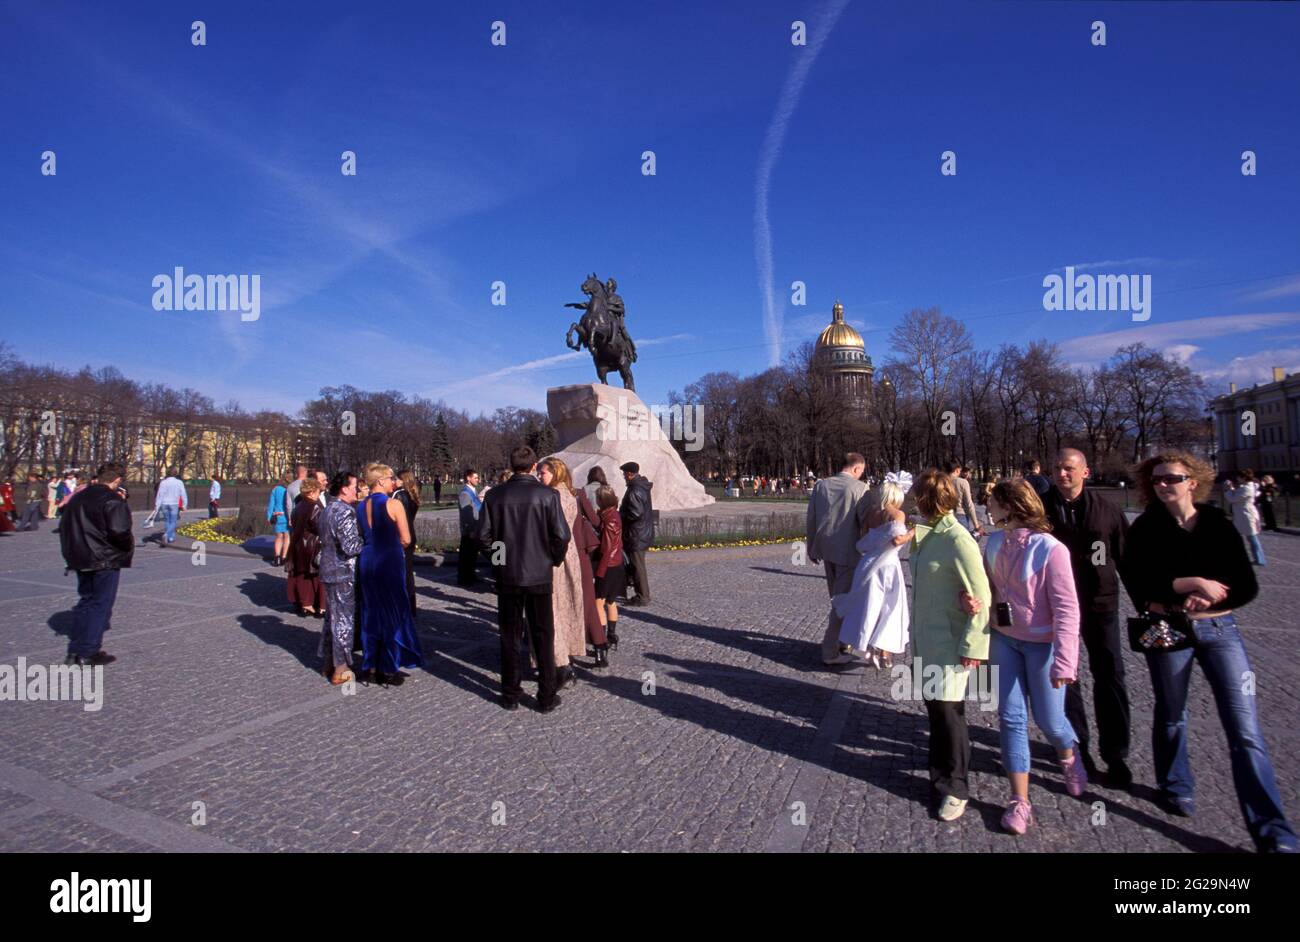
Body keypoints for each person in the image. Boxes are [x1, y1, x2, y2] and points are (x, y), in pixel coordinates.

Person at [1120, 452, 1297, 852]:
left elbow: (1245, 583)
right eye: (1158, 479)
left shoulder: (1217, 523)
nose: (1164, 484)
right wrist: (1187, 583)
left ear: (1193, 482)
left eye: (1172, 478)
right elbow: (1137, 580)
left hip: (1221, 629)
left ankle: (1274, 831)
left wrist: (1213, 597)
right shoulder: (1147, 526)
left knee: (1245, 730)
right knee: (1171, 714)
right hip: (1171, 630)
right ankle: (1175, 784)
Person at [973, 480, 1087, 834]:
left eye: (991, 501)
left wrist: (1066, 662)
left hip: (1043, 645)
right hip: (1004, 639)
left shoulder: (1050, 549)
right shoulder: (992, 543)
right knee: (1011, 717)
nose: (986, 506)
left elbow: (1067, 609)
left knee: (1051, 720)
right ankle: (1019, 800)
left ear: (1009, 506)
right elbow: (985, 589)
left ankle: (1069, 755)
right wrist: (973, 602)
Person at [1042, 448, 1133, 787]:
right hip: (1057, 607)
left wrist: (1148, 605)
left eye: (1068, 469)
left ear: (1085, 472)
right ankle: (1077, 747)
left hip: (1100, 604)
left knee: (1110, 676)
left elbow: (1127, 559)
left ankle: (1116, 754)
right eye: (1057, 468)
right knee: (1067, 678)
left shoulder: (1107, 510)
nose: (1062, 474)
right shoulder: (1041, 507)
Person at [908, 468, 992, 822]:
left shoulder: (958, 538)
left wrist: (973, 645)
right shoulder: (927, 534)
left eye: (917, 495)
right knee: (937, 711)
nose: (912, 500)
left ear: (928, 499)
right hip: (928, 638)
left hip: (949, 641)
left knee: (949, 714)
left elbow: (982, 594)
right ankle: (939, 772)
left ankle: (955, 786)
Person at [475, 446, 571, 712]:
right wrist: (552, 559)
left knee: (509, 635)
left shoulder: (495, 496)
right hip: (539, 573)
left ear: (512, 464)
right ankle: (546, 695)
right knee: (543, 634)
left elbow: (482, 535)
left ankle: (510, 694)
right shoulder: (547, 495)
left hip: (508, 575)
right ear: (532, 467)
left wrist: (499, 561)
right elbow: (561, 535)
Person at [833, 473, 913, 670]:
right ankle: (884, 651)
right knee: (891, 608)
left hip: (867, 564)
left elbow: (864, 538)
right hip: (887, 567)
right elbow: (896, 540)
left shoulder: (871, 513)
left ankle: (867, 645)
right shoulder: (897, 515)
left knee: (870, 607)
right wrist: (913, 532)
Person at [58, 462, 132, 666]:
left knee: (85, 601)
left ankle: (75, 650)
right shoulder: (112, 500)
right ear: (117, 480)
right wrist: (125, 549)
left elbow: (65, 528)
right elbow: (120, 531)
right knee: (101, 604)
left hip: (80, 557)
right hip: (104, 559)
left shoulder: (78, 497)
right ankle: (88, 651)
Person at [356, 464, 425, 685]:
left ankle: (371, 663)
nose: (393, 481)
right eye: (390, 477)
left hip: (368, 560)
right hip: (388, 560)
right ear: (380, 481)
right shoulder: (392, 504)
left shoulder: (361, 505)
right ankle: (389, 665)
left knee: (371, 611)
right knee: (393, 610)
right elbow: (406, 538)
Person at [806, 452, 871, 666]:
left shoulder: (821, 486)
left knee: (837, 598)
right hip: (848, 551)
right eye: (861, 471)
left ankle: (843, 642)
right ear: (855, 469)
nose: (861, 475)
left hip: (826, 549)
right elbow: (865, 522)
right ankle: (830, 649)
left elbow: (812, 517)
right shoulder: (860, 489)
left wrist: (811, 546)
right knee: (842, 603)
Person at [539, 457, 601, 684]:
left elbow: (556, 533)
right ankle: (563, 658)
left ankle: (560, 663)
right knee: (564, 610)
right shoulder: (570, 494)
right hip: (570, 557)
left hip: (558, 559)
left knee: (553, 610)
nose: (539, 477)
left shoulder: (555, 496)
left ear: (555, 473)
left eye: (542, 473)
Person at [319, 470, 364, 686]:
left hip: (328, 570)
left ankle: (329, 661)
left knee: (332, 618)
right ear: (345, 488)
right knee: (343, 620)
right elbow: (351, 546)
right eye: (355, 486)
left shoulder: (327, 508)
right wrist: (367, 540)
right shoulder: (345, 511)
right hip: (343, 572)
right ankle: (341, 667)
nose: (357, 490)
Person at [592, 485, 624, 664]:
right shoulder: (613, 514)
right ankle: (612, 636)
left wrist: (600, 572)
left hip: (609, 565)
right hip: (616, 563)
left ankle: (602, 640)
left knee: (599, 602)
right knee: (611, 602)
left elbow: (607, 548)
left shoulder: (609, 519)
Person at [287, 477, 326, 617]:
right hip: (312, 545)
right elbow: (319, 526)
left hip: (298, 544)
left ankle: (306, 604)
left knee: (303, 575)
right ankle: (321, 606)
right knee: (318, 575)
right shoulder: (314, 506)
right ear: (311, 492)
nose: (318, 494)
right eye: (317, 491)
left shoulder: (298, 506)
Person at [619, 461, 655, 606]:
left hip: (636, 534)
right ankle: (640, 594)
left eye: (624, 474)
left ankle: (643, 596)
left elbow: (635, 513)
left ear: (629, 474)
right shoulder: (640, 486)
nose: (623, 476)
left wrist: (620, 515)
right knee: (636, 565)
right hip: (641, 532)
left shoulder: (635, 489)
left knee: (638, 566)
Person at [393, 470, 421, 616]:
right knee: (408, 573)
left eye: (396, 479)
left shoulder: (399, 496)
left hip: (401, 537)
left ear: (402, 480)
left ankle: (403, 606)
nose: (394, 481)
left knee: (401, 573)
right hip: (411, 535)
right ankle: (411, 606)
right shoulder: (412, 495)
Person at [1224, 471, 1265, 566]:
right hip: (1242, 514)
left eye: (1239, 478)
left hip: (1246, 514)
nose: (1237, 480)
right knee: (1246, 537)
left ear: (1243, 478)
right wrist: (1231, 488)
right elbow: (1237, 495)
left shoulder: (1248, 488)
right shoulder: (1246, 487)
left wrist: (1228, 490)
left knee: (1252, 537)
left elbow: (1232, 499)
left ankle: (1260, 559)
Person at [943, 459, 982, 537]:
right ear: (957, 470)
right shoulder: (962, 482)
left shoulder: (940, 482)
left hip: (944, 518)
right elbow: (969, 504)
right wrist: (976, 525)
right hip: (960, 516)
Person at [457, 469, 483, 586]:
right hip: (469, 529)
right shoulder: (465, 493)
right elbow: (466, 514)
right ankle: (464, 578)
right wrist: (470, 529)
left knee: (472, 554)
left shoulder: (473, 491)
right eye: (476, 477)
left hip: (475, 527)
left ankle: (470, 575)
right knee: (466, 555)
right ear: (468, 478)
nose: (478, 480)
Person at [154, 468, 186, 544]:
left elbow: (160, 494)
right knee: (173, 521)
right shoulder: (179, 482)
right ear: (175, 473)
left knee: (167, 520)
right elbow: (183, 494)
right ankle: (167, 534)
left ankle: (170, 537)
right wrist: (184, 504)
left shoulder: (163, 482)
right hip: (174, 503)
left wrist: (157, 505)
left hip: (164, 503)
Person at [267, 471, 292, 566]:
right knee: (287, 537)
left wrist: (269, 516)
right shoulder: (289, 489)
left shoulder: (275, 489)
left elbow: (271, 504)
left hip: (277, 516)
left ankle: (277, 556)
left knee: (278, 537)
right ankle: (284, 557)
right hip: (286, 515)